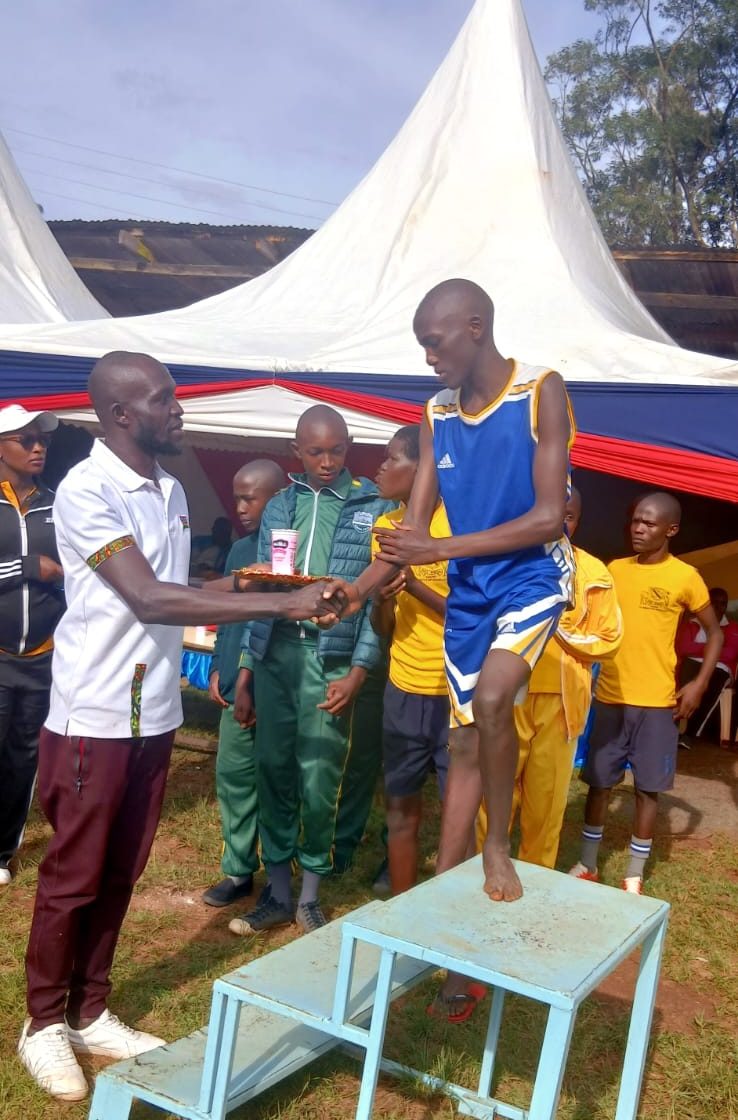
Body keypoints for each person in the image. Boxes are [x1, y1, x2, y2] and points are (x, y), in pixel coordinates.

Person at [18, 352, 341, 1103]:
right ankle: (42, 1025)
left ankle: (90, 1010)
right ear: (121, 416)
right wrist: (278, 608)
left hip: (154, 712)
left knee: (123, 869)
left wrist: (268, 583)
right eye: (164, 401)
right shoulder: (87, 490)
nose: (179, 410)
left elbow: (183, 587)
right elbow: (149, 600)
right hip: (93, 715)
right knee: (73, 878)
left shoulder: (165, 487)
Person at [338, 278, 575, 1017]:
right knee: (465, 740)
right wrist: (352, 591)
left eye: (435, 341)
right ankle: (447, 885)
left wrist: (442, 545)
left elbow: (545, 519)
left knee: (498, 696)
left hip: (533, 577)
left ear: (474, 327)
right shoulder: (436, 412)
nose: (428, 356)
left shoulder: (542, 390)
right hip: (471, 590)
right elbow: (413, 534)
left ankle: (497, 844)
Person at [229, 404, 391, 937]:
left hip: (333, 658)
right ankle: (276, 891)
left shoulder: (373, 504)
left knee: (321, 775)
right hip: (278, 656)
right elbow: (265, 591)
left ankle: (310, 895)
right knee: (274, 768)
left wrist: (361, 670)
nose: (327, 462)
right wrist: (249, 670)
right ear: (296, 452)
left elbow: (374, 601)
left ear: (348, 449)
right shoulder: (281, 504)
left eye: (337, 450)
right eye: (316, 452)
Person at [569, 492, 723, 893]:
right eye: (635, 520)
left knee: (647, 789)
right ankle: (587, 863)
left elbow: (716, 633)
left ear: (670, 530)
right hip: (611, 696)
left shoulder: (684, 577)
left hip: (657, 703)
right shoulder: (614, 569)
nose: (638, 528)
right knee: (600, 783)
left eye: (649, 523)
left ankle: (634, 875)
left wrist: (700, 682)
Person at [476, 487, 622, 869]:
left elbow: (610, 639)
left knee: (547, 802)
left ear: (577, 519)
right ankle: (481, 870)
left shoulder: (593, 572)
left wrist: (559, 632)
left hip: (562, 703)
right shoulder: (506, 562)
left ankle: (536, 881)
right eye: (552, 513)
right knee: (494, 798)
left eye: (568, 516)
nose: (560, 524)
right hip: (508, 696)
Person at [370, 425, 451, 895]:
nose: (380, 468)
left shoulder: (460, 529)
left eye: (391, 459)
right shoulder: (386, 529)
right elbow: (385, 628)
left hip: (456, 691)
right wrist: (382, 599)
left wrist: (416, 586)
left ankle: (443, 913)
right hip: (404, 687)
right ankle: (402, 910)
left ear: (422, 472)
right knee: (400, 806)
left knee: (456, 813)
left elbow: (473, 616)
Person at [203, 459, 287, 907]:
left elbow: (264, 623)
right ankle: (238, 871)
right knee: (233, 778)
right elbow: (230, 619)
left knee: (275, 781)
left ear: (276, 497)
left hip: (271, 685)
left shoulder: (290, 553)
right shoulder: (238, 552)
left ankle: (279, 873)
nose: (238, 507)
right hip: (234, 684)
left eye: (248, 497)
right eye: (236, 496)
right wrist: (219, 666)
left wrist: (248, 684)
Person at [0, 405, 65, 886]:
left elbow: (78, 572)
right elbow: (37, 567)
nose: (38, 446)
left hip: (44, 656)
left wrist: (59, 575)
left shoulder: (57, 505)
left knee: (25, 754)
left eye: (41, 438)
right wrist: (28, 566)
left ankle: (2, 852)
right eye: (25, 439)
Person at [676, 586, 738, 747]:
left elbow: (730, 654)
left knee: (712, 681)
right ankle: (672, 729)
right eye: (714, 603)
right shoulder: (691, 624)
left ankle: (690, 734)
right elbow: (683, 648)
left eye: (723, 604)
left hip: (720, 669)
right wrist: (714, 648)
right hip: (691, 665)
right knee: (681, 675)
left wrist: (698, 648)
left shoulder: (732, 628)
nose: (719, 607)